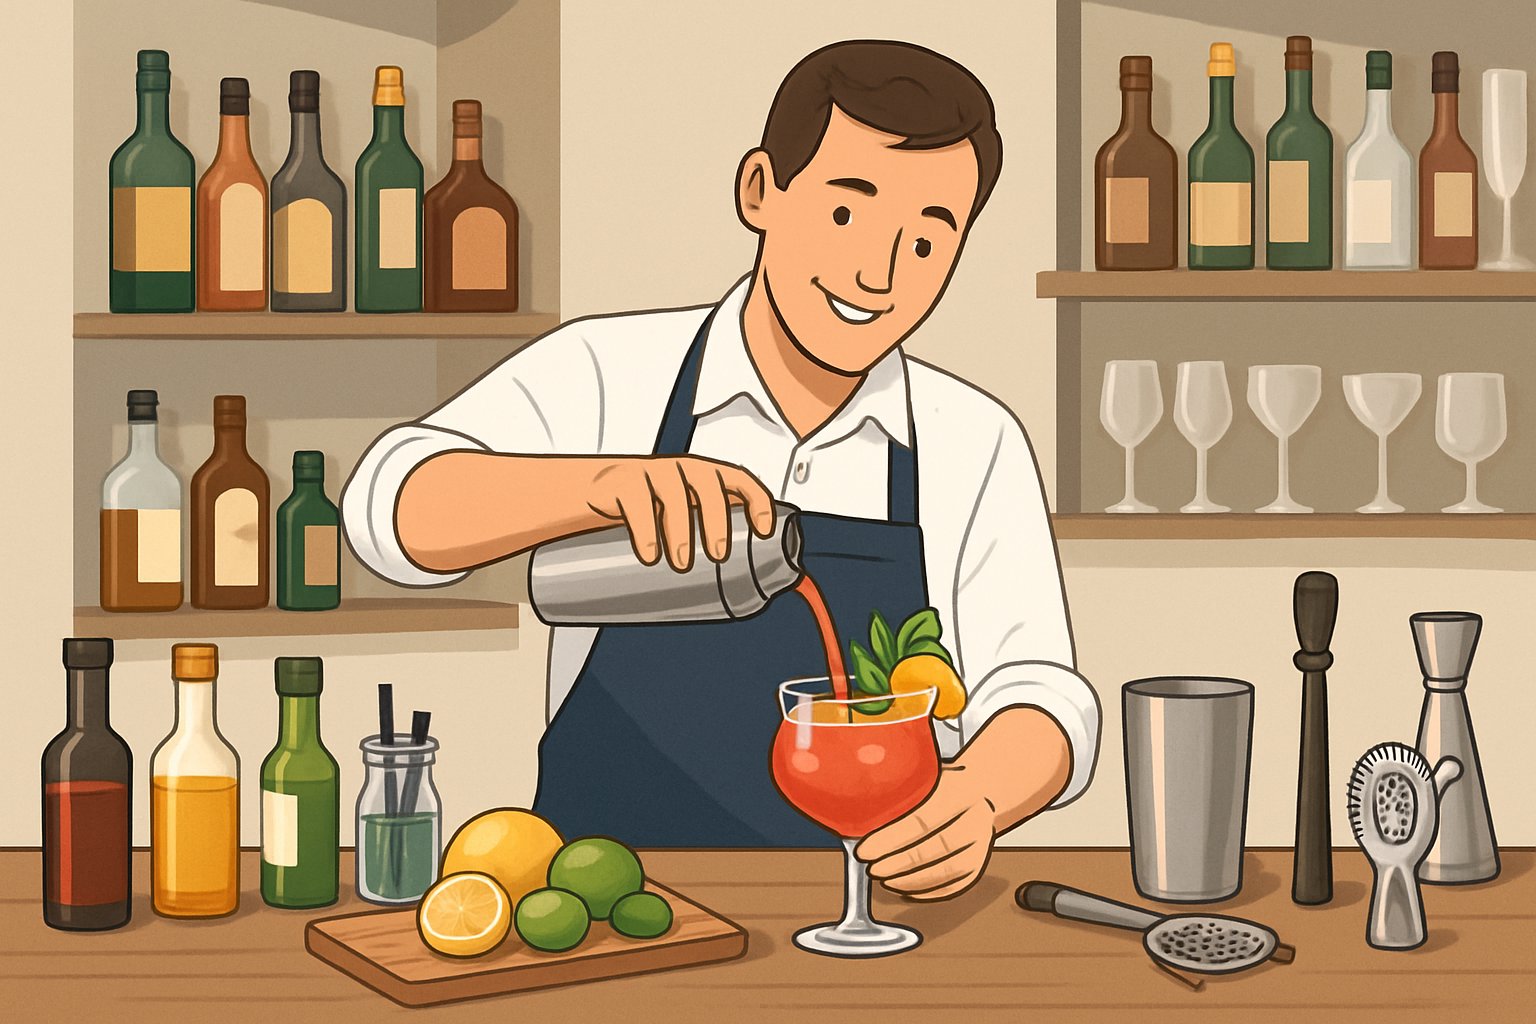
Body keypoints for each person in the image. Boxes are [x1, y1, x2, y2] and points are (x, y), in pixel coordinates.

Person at [343, 39, 1099, 901]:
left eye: (927, 241)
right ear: (760, 190)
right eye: (845, 214)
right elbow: (389, 510)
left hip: (869, 903)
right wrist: (594, 486)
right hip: (607, 902)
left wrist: (982, 795)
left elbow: (1041, 691)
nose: (879, 273)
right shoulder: (608, 370)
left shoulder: (973, 438)